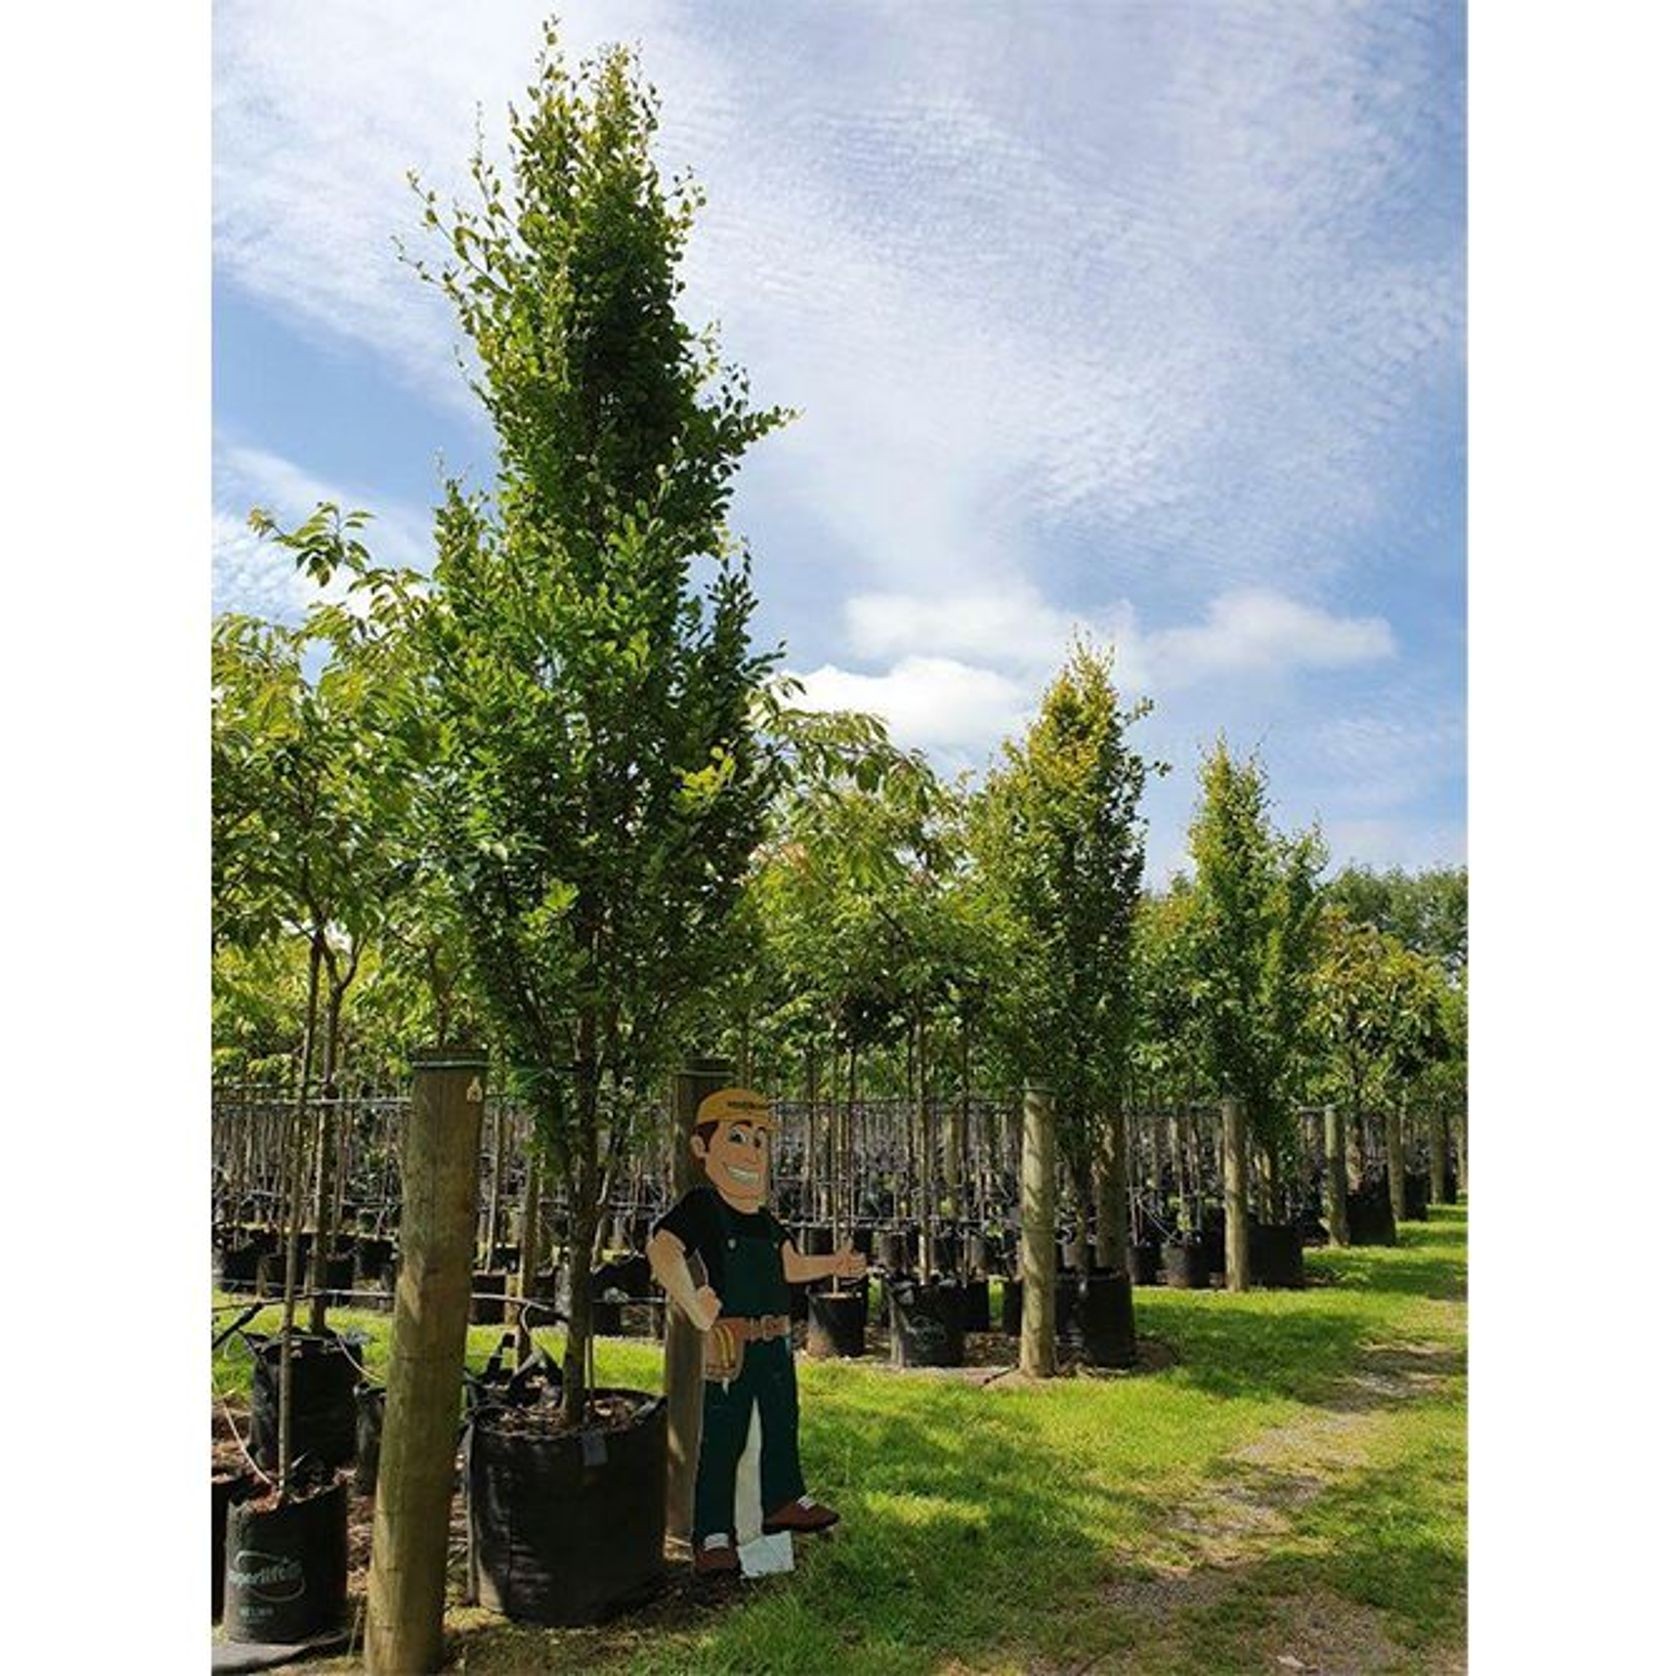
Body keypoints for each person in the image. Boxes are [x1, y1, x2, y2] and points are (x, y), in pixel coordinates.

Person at [647, 1086, 865, 1575]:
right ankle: (714, 1535)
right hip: (733, 1345)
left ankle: (784, 1499)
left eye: (759, 1143)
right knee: (725, 1437)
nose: (750, 1153)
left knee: (780, 1424)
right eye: (738, 1138)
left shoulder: (767, 1221)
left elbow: (790, 1266)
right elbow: (662, 1249)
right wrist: (693, 1303)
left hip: (776, 1345)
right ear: (703, 1149)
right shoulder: (703, 1207)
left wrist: (837, 1263)